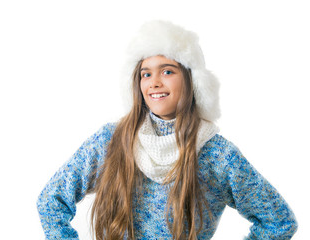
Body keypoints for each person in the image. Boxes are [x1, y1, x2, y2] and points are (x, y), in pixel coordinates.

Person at [37, 20, 297, 240]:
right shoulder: (112, 140)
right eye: (145, 74)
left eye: (168, 71)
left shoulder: (217, 153)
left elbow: (279, 222)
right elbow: (51, 200)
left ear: (191, 79)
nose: (154, 83)